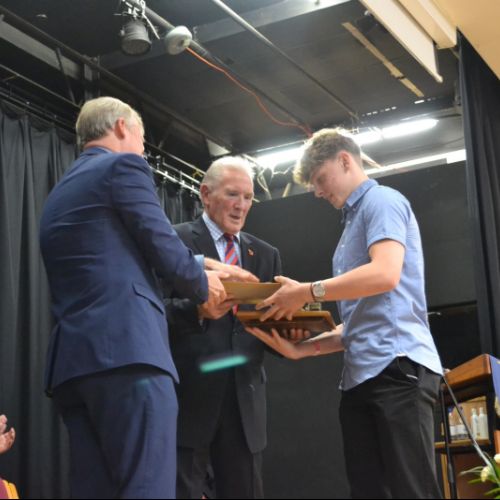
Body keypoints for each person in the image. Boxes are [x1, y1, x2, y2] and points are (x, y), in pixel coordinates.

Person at [39, 96, 249, 499]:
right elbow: (159, 240)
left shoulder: (60, 193)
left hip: (74, 368)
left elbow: (117, 254)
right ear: (122, 127)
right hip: (129, 358)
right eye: (142, 137)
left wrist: (204, 264)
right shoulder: (122, 166)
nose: (143, 149)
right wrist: (203, 286)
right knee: (147, 488)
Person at [246, 128, 444, 499]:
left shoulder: (382, 201)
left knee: (412, 490)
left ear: (345, 160)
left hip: (396, 368)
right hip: (360, 378)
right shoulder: (350, 226)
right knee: (367, 491)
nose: (318, 192)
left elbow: (385, 273)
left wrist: (306, 292)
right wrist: (301, 349)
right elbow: (359, 324)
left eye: (320, 179)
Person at [165, 157, 282, 499]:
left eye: (248, 197)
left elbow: (267, 326)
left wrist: (290, 330)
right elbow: (152, 311)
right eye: (233, 194)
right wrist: (197, 311)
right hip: (189, 399)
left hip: (245, 403)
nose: (241, 205)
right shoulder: (173, 242)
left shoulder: (265, 254)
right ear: (205, 194)